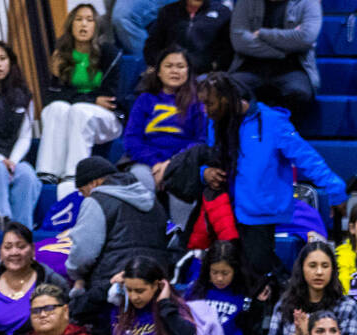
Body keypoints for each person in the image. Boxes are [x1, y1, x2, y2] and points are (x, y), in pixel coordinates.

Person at [198, 72, 347, 288]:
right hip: (223, 211)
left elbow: (307, 158)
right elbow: (204, 157)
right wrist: (205, 172)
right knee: (233, 277)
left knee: (257, 276)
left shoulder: (272, 122)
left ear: (226, 99)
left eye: (209, 103)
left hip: (259, 213)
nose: (205, 110)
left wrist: (335, 190)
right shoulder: (215, 122)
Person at [36, 5, 122, 190]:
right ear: (71, 25)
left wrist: (81, 99)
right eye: (79, 19)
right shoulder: (61, 54)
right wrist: (90, 98)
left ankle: (74, 173)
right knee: (57, 108)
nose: (84, 24)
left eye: (89, 20)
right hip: (75, 112)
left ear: (96, 26)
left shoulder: (109, 53)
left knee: (78, 110)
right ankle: (47, 172)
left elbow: (110, 97)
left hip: (108, 120)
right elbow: (52, 96)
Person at [66, 158, 172, 297]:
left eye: (82, 190)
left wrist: (75, 273)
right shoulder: (153, 200)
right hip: (155, 282)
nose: (83, 195)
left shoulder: (96, 200)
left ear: (94, 183)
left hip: (112, 284)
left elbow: (84, 254)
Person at [123, 47, 206, 225]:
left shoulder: (198, 102)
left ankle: (182, 239)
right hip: (147, 163)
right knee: (139, 179)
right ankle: (146, 237)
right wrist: (156, 163)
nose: (174, 71)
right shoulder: (145, 99)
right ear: (158, 72)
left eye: (180, 66)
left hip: (183, 163)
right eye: (168, 66)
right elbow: (132, 139)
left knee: (182, 183)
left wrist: (171, 164)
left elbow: (200, 141)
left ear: (189, 71)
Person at [265, 241, 357, 335]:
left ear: (333, 270)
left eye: (325, 266)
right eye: (312, 265)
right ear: (302, 268)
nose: (319, 272)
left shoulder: (347, 307)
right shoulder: (284, 305)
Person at [228, 0, 321, 116]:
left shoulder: (308, 3)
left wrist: (263, 33)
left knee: (299, 92)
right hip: (250, 67)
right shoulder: (246, 2)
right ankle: (249, 129)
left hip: (292, 67)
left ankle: (280, 129)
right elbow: (239, 41)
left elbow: (305, 38)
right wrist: (282, 51)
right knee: (227, 91)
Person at [0, 228, 70, 335]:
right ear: (0, 252)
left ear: (32, 250)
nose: (14, 252)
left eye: (21, 246)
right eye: (8, 247)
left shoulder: (52, 281)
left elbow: (67, 325)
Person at [0, 42, 41, 228]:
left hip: (10, 158)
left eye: (2, 59)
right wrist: (0, 160)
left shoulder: (23, 94)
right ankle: (3, 220)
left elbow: (25, 135)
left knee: (27, 175)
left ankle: (22, 230)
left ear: (10, 62)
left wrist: (12, 161)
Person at [144, 0, 234, 76]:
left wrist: (215, 71)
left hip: (204, 75)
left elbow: (227, 51)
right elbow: (153, 44)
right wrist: (158, 65)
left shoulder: (223, 13)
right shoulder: (168, 11)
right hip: (170, 71)